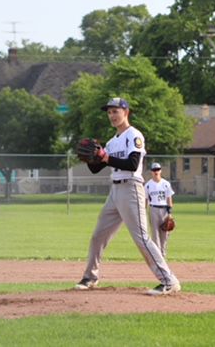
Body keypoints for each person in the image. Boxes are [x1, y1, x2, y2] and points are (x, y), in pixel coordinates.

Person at [74, 97, 181, 296]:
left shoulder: (134, 135)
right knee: (98, 236)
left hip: (132, 188)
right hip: (115, 192)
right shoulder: (112, 142)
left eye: (115, 111)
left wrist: (105, 157)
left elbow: (132, 164)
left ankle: (169, 280)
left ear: (126, 112)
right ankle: (90, 277)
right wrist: (93, 157)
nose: (112, 115)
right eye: (109, 112)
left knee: (141, 237)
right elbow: (97, 169)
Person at [145, 162, 175, 258]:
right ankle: (157, 256)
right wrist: (144, 212)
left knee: (165, 234)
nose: (156, 172)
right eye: (154, 170)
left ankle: (163, 254)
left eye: (157, 169)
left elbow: (169, 199)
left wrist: (170, 213)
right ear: (151, 172)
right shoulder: (148, 185)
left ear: (161, 170)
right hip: (153, 209)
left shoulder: (166, 184)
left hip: (164, 210)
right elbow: (145, 200)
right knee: (155, 234)